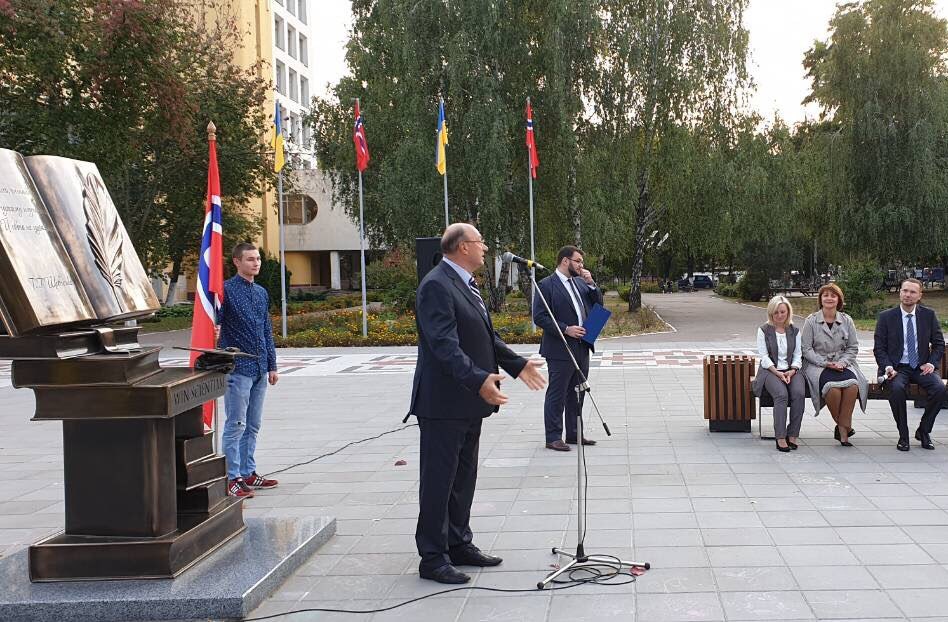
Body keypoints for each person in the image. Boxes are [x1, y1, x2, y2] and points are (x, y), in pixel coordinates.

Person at [408, 223, 546, 585]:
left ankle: (458, 543)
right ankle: (432, 557)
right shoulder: (436, 285)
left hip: (468, 402)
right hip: (443, 404)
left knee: (463, 479)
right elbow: (444, 345)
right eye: (479, 241)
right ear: (462, 247)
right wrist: (478, 378)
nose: (484, 247)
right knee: (439, 482)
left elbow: (486, 336)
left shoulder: (465, 284)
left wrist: (517, 365)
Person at [216, 242, 279, 498]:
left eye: (258, 259)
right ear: (237, 262)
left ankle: (248, 471)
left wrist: (272, 365)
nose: (256, 263)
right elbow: (214, 323)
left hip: (260, 368)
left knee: (253, 425)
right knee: (236, 424)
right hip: (238, 369)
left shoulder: (261, 293)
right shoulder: (225, 291)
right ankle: (232, 477)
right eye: (250, 259)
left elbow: (266, 330)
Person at [532, 246, 603, 451]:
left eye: (582, 262)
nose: (582, 265)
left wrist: (591, 284)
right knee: (558, 393)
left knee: (578, 392)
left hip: (582, 345)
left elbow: (598, 304)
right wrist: (565, 329)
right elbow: (539, 316)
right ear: (565, 261)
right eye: (578, 261)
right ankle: (553, 437)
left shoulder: (580, 282)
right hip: (560, 348)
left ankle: (574, 433)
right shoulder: (547, 285)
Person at [873, 278, 946, 451]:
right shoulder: (886, 317)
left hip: (920, 367)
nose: (908, 295)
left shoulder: (928, 315)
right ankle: (903, 435)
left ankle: (924, 431)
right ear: (900, 293)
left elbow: (939, 344)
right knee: (897, 389)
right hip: (896, 368)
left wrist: (931, 363)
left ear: (919, 295)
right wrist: (888, 367)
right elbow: (879, 348)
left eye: (913, 292)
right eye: (905, 291)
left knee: (939, 389)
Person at [801, 283, 868, 446]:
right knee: (833, 390)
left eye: (833, 295)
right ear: (820, 299)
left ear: (839, 300)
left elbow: (852, 347)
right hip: (818, 365)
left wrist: (843, 362)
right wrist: (825, 363)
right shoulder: (811, 321)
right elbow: (806, 349)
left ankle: (842, 430)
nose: (829, 298)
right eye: (825, 295)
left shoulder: (847, 320)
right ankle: (845, 427)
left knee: (852, 386)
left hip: (843, 362)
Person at [752, 296, 805, 452]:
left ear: (788, 312)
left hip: (791, 370)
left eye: (782, 312)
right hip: (770, 370)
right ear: (771, 313)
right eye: (776, 312)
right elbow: (764, 356)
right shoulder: (764, 330)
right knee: (781, 394)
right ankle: (780, 437)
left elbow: (798, 355)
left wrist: (792, 370)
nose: (780, 315)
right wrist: (778, 373)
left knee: (799, 393)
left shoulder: (795, 331)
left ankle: (792, 435)